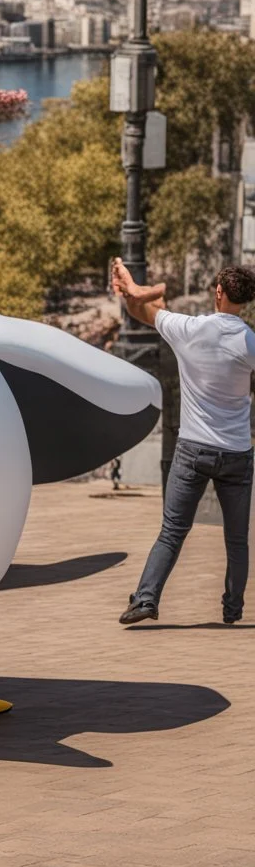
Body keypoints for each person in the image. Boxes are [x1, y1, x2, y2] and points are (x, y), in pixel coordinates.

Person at [112, 259, 255, 626]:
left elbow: (140, 312)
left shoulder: (189, 329)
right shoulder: (250, 341)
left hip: (193, 450)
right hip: (237, 452)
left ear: (218, 293)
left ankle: (146, 600)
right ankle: (233, 609)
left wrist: (140, 290)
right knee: (237, 540)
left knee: (172, 532)